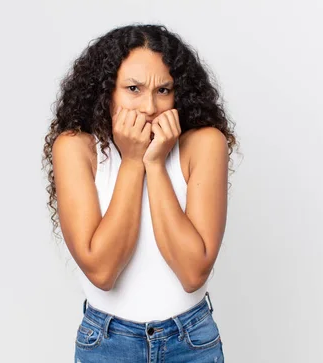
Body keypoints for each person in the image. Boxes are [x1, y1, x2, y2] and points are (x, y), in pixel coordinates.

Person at [42, 24, 237, 362]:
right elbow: (102, 272)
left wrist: (156, 164)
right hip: (107, 343)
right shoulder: (76, 148)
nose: (149, 107)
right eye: (133, 88)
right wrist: (132, 162)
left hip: (190, 342)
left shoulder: (205, 144)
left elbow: (193, 273)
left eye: (163, 90)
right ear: (106, 92)